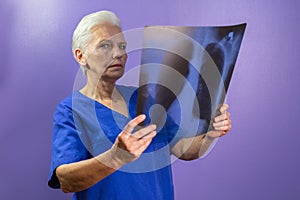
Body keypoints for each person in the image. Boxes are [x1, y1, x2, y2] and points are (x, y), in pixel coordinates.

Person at [48, 10, 232, 200]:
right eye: (105, 45)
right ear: (81, 56)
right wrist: (116, 157)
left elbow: (182, 149)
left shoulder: (141, 97)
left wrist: (209, 135)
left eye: (122, 46)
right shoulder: (71, 110)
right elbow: (66, 180)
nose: (118, 53)